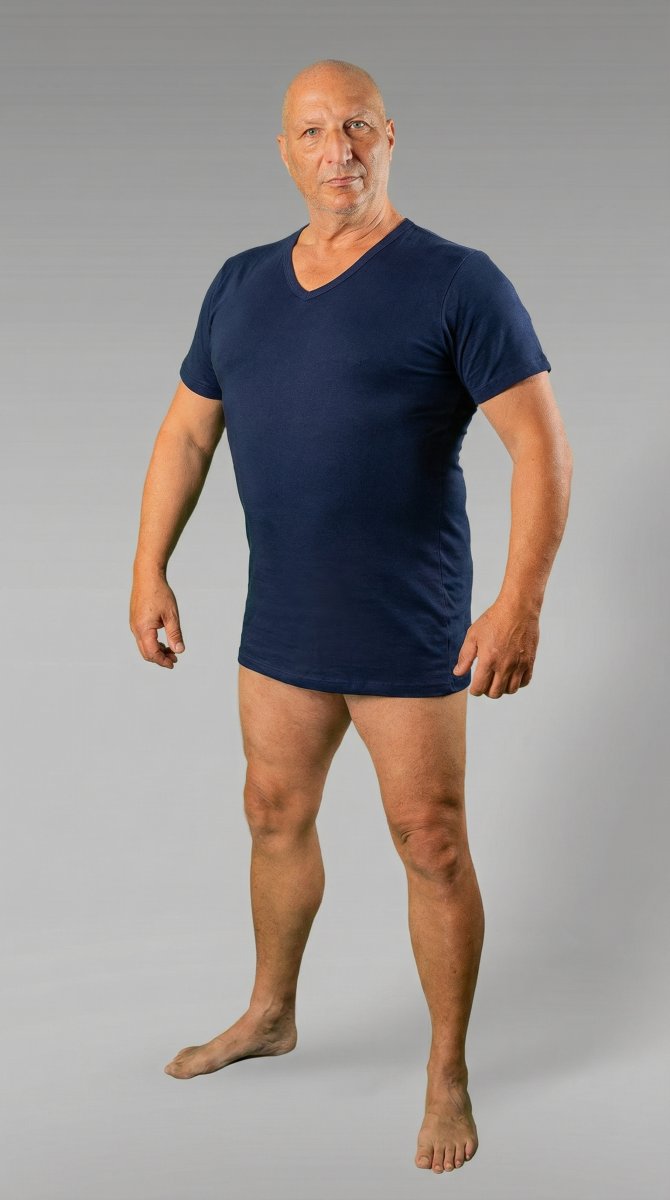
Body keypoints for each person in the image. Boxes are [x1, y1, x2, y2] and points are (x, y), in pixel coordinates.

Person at [129, 57, 573, 1175]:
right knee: (272, 812)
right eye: (316, 131)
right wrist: (148, 565)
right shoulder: (239, 283)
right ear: (284, 152)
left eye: (359, 126)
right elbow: (187, 432)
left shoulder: (458, 281)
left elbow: (540, 448)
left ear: (391, 137)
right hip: (283, 620)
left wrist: (519, 601)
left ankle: (446, 1071)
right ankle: (272, 1013)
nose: (340, 150)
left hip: (407, 624)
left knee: (431, 841)